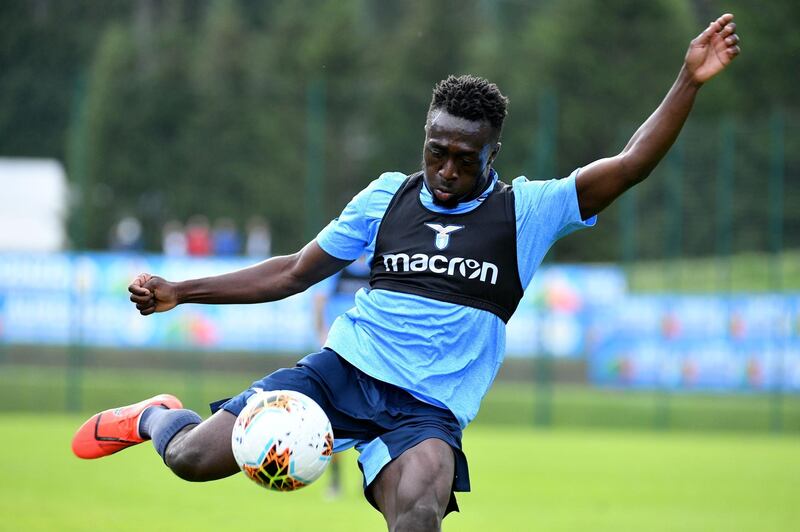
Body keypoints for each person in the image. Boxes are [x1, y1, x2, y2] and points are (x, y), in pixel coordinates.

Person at [72, 15, 740, 531]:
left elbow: (628, 166)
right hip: (341, 374)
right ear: (425, 137)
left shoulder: (527, 211)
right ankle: (154, 415)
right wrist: (180, 292)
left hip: (427, 409)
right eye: (436, 150)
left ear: (493, 155)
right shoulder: (386, 196)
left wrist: (686, 81)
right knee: (191, 461)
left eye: (464, 158)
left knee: (417, 516)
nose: (447, 169)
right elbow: (293, 272)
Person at [312, 255, 372, 498]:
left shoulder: (376, 266)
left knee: (371, 418)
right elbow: (318, 300)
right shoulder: (339, 268)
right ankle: (335, 482)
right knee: (334, 419)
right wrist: (321, 333)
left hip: (369, 354)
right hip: (338, 351)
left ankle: (369, 477)